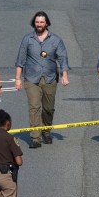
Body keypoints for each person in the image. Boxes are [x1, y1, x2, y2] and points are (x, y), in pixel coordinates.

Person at [15, 11, 70, 148]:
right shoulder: (28, 39)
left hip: (50, 79)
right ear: (34, 23)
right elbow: (20, 60)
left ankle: (46, 131)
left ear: (47, 23)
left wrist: (64, 76)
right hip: (31, 79)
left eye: (41, 22)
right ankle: (35, 137)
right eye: (37, 22)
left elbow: (63, 58)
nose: (39, 24)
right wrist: (17, 79)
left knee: (48, 108)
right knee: (34, 107)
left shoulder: (56, 40)